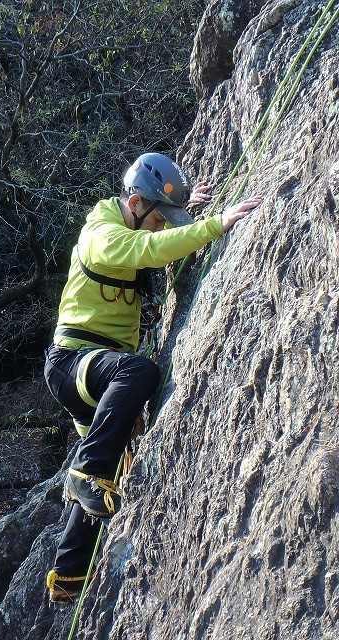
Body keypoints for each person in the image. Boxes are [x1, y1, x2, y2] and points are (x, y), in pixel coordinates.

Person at [44, 152, 262, 602]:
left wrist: (187, 209)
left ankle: (67, 575)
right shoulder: (102, 235)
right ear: (138, 204)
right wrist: (212, 225)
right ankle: (83, 475)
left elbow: (155, 238)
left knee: (108, 463)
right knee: (135, 381)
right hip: (73, 363)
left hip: (97, 371)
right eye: (160, 217)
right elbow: (147, 249)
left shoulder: (135, 224)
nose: (164, 226)